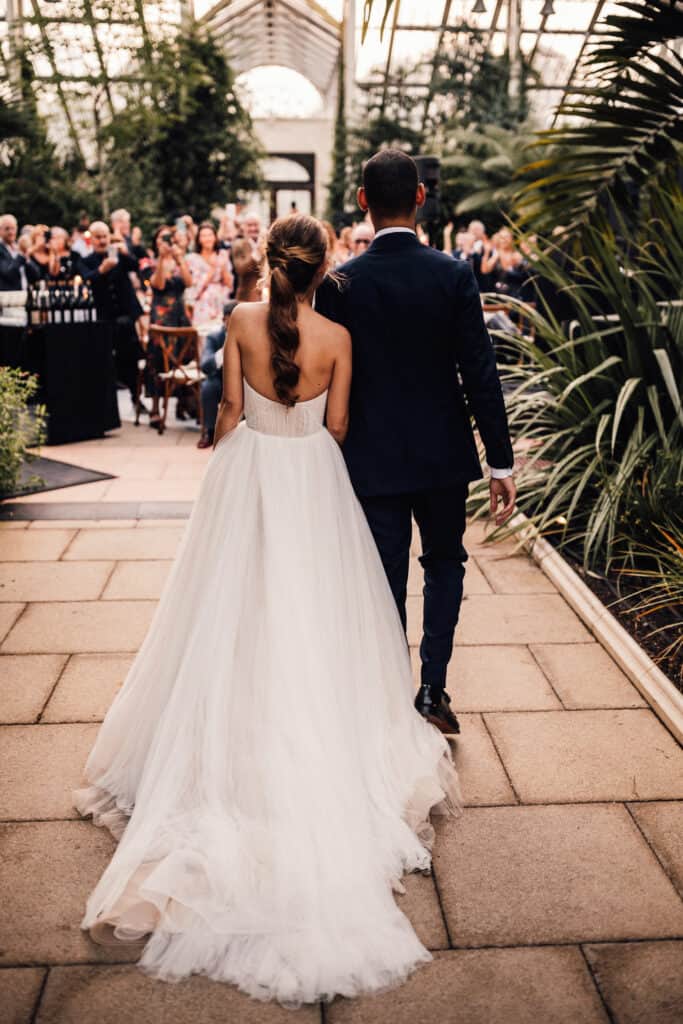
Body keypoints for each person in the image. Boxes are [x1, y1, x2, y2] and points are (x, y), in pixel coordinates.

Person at [73, 212, 462, 1005]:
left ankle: (227, 724)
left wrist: (233, 438)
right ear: (324, 271)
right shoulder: (338, 342)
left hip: (248, 475)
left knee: (226, 610)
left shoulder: (242, 318)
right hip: (311, 476)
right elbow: (342, 425)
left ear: (272, 265)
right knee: (313, 616)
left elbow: (223, 414)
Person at [316, 149, 516, 735]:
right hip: (441, 454)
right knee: (445, 563)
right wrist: (500, 460)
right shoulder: (453, 274)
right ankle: (433, 690)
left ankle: (386, 693)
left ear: (362, 202)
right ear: (421, 198)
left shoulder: (341, 283)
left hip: (368, 454)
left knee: (381, 575)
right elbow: (480, 371)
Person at [80, 221, 146, 413]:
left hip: (126, 317)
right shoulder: (86, 260)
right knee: (107, 361)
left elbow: (136, 266)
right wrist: (102, 270)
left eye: (104, 237)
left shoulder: (118, 255)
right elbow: (86, 278)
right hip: (104, 318)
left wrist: (125, 252)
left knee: (131, 358)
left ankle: (136, 399)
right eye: (98, 237)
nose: (101, 240)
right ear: (91, 239)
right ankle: (108, 408)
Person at [196, 300, 237, 449]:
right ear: (224, 319)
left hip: (242, 381)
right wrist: (226, 348)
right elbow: (205, 366)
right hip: (219, 379)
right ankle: (210, 431)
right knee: (208, 387)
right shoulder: (214, 337)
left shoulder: (248, 335)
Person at [186, 221, 233, 328]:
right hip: (202, 304)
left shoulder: (222, 254)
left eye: (210, 235)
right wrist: (212, 268)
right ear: (199, 239)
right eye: (204, 236)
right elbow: (196, 288)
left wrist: (223, 265)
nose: (207, 238)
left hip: (221, 301)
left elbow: (229, 285)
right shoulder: (192, 258)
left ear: (215, 237)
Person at [0, 214, 39, 290]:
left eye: (13, 228)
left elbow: (36, 275)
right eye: (7, 229)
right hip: (7, 297)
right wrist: (21, 255)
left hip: (24, 295)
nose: (11, 232)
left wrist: (26, 257)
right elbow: (8, 273)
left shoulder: (19, 247)